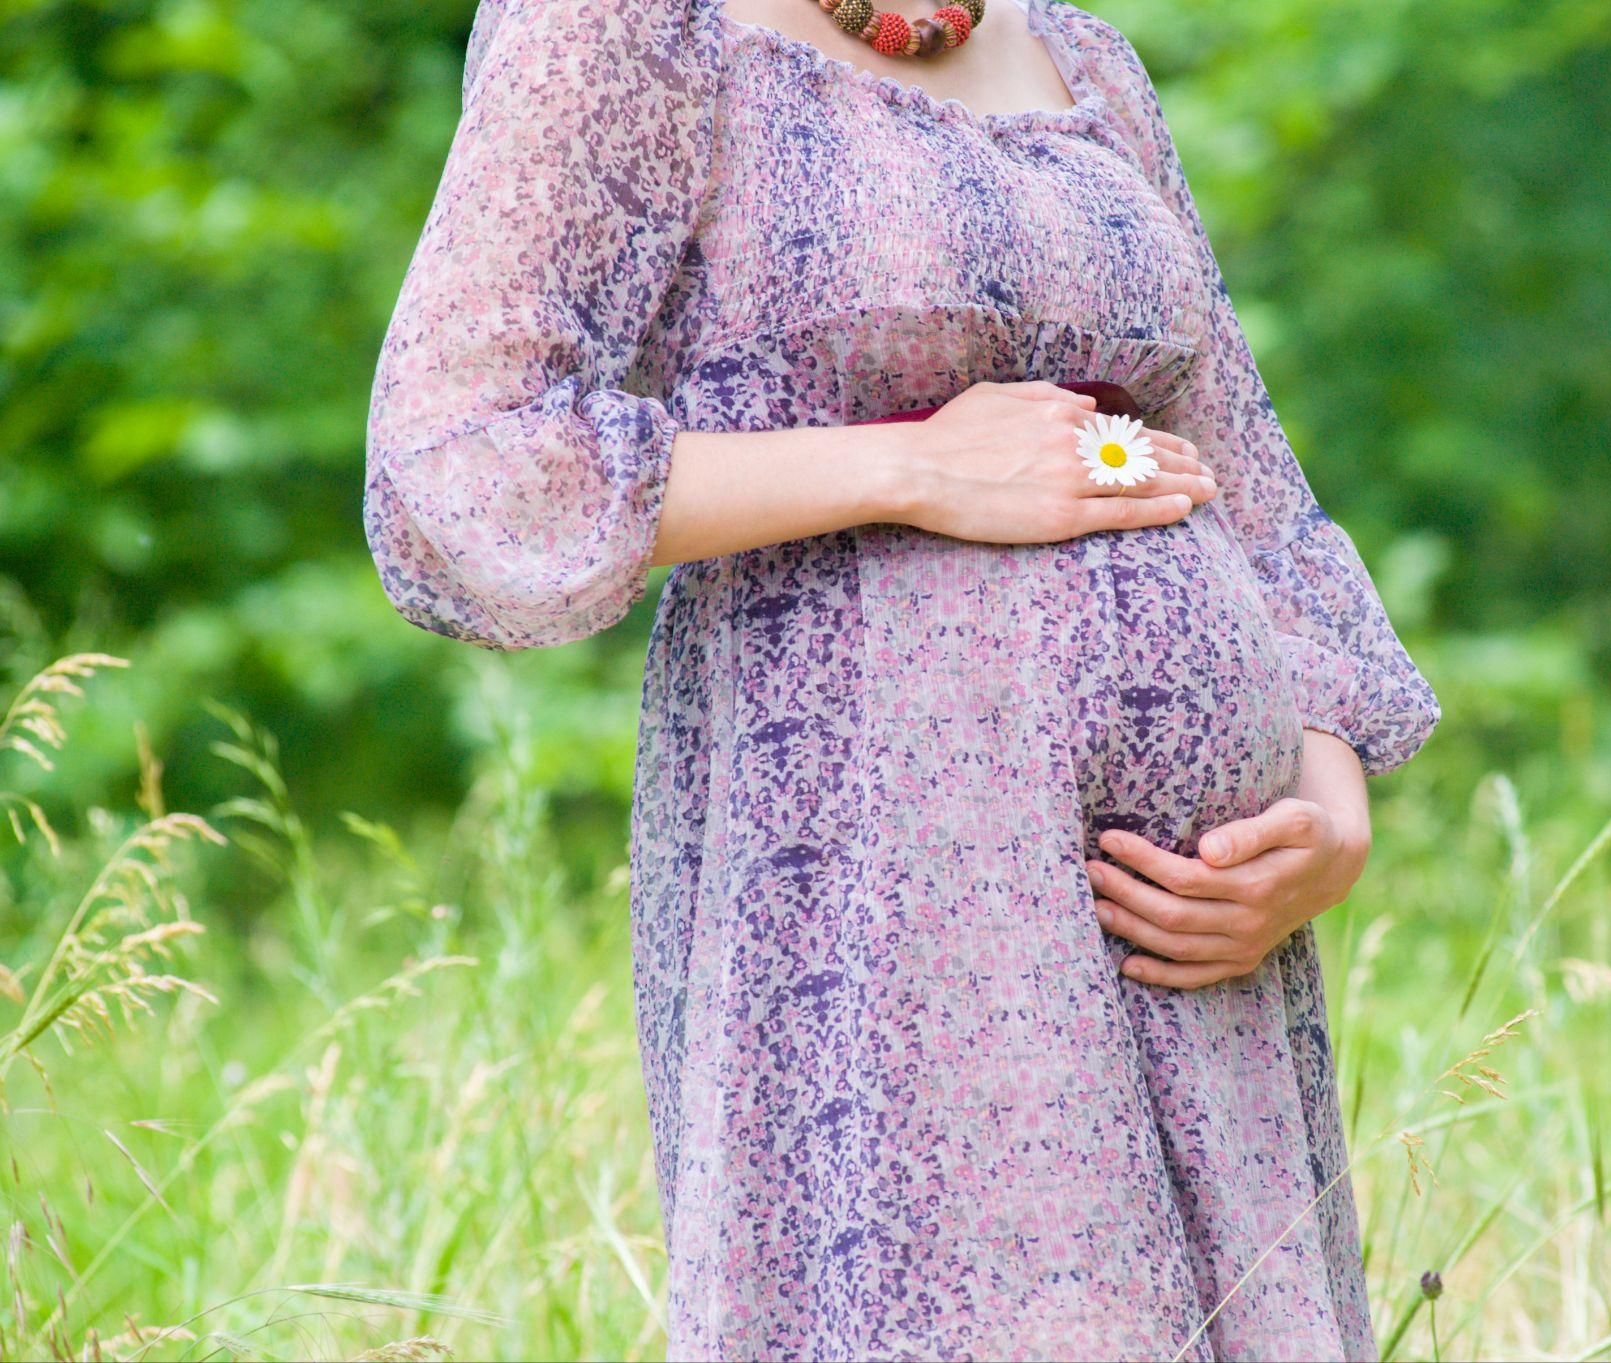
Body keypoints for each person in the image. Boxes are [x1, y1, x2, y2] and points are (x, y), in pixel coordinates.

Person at [364, 0, 1440, 1355]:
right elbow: (460, 460)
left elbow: (1249, 485)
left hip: (1199, 938)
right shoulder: (630, 24)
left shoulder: (1082, 51)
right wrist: (913, 467)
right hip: (888, 873)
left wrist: (1328, 804)